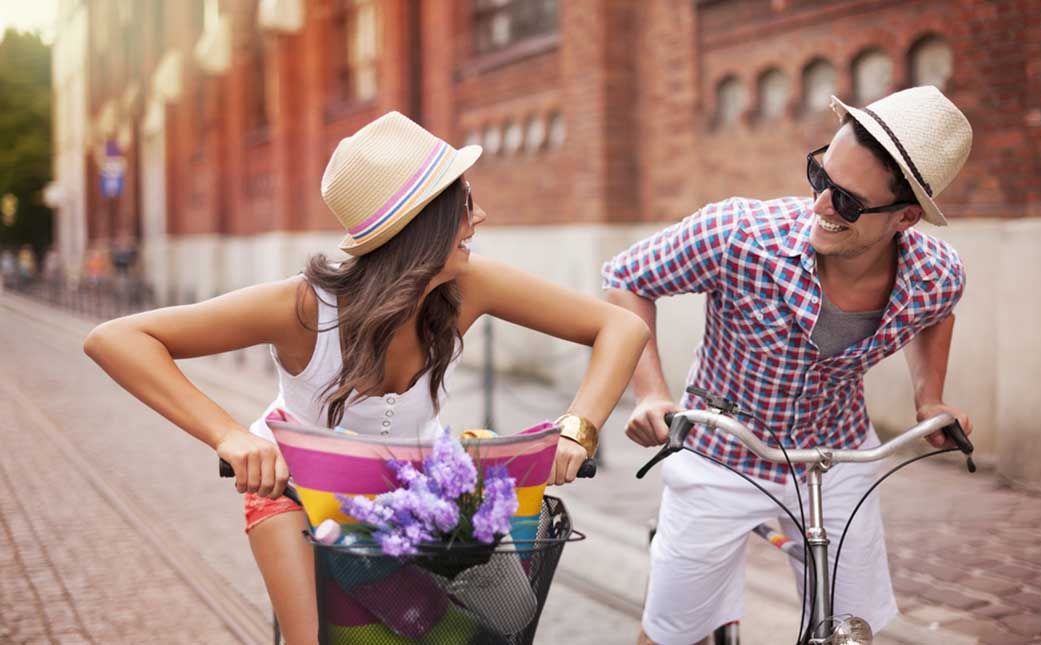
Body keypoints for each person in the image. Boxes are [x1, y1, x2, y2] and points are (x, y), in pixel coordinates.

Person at [84, 111, 650, 644]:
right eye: (465, 203)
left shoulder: (467, 286)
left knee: (495, 627)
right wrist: (230, 435)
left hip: (417, 505)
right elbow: (116, 339)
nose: (479, 218)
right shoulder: (304, 307)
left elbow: (620, 327)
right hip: (298, 495)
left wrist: (578, 428)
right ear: (422, 224)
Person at [602, 86, 974, 644]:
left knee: (852, 630)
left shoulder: (935, 274)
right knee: (672, 635)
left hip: (835, 455)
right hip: (720, 452)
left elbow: (938, 310)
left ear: (905, 218)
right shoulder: (738, 235)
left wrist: (931, 399)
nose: (820, 207)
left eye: (846, 202)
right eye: (820, 178)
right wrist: (650, 393)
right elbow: (626, 280)